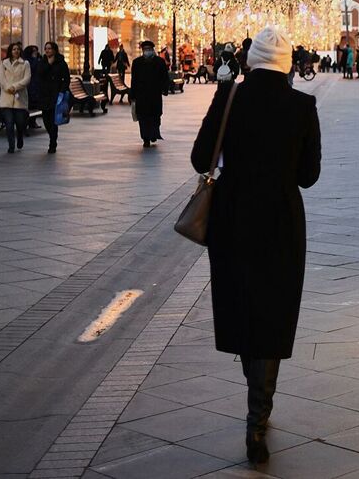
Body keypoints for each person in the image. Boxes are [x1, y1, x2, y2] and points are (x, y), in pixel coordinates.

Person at [190, 25, 321, 466]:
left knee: (243, 303)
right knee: (273, 311)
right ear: (286, 64)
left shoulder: (229, 97)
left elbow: (199, 158)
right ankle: (257, 419)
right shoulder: (302, 106)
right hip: (281, 220)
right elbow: (309, 176)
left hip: (232, 218)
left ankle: (255, 397)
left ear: (251, 61)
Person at [130, 40, 170, 148]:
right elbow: (134, 80)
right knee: (143, 117)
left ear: (153, 50)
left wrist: (165, 89)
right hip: (141, 95)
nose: (147, 51)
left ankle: (154, 133)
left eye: (149, 49)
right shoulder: (137, 63)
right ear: (142, 50)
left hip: (155, 94)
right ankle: (146, 138)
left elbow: (164, 77)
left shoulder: (159, 62)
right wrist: (132, 95)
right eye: (145, 49)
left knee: (155, 116)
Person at [0, 42, 31, 154]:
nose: (16, 51)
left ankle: (20, 136)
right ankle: (11, 145)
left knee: (20, 123)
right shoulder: (4, 63)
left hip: (19, 98)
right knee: (9, 123)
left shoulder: (25, 63)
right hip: (6, 98)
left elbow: (27, 79)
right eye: (13, 49)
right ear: (10, 51)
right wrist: (8, 88)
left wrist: (15, 87)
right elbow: (1, 78)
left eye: (17, 49)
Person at [39, 41, 71, 154]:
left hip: (56, 95)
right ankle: (52, 136)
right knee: (46, 120)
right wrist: (48, 64)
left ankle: (53, 142)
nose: (47, 50)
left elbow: (66, 79)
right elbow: (39, 74)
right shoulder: (43, 62)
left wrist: (62, 90)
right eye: (46, 48)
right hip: (45, 95)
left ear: (54, 50)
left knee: (53, 121)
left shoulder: (61, 63)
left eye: (49, 48)